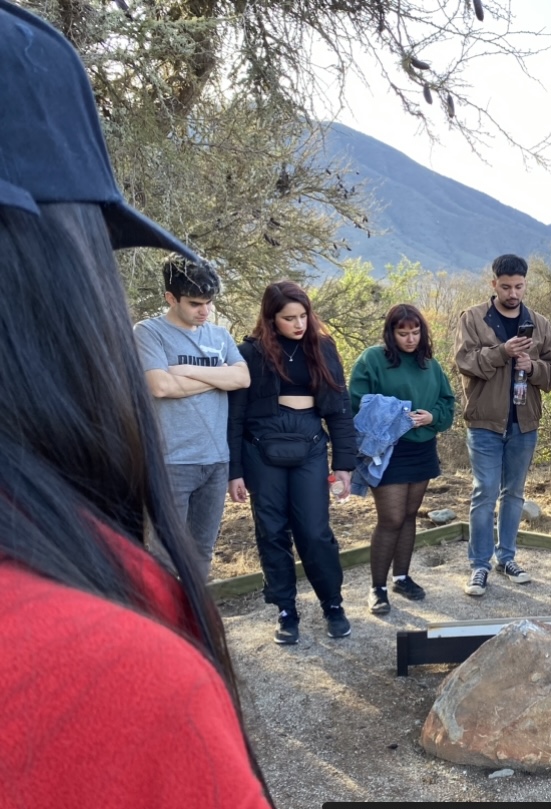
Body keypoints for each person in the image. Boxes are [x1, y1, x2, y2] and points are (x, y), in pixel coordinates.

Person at [0, 2, 280, 809]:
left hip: (208, 463)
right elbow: (170, 386)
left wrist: (210, 378)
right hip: (180, 462)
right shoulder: (105, 676)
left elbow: (238, 380)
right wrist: (210, 379)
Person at [228, 281, 357, 645]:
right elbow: (235, 416)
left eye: (303, 316)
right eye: (289, 318)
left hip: (311, 447)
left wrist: (344, 464)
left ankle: (332, 603)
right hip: (261, 450)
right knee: (271, 531)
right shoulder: (249, 353)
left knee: (314, 532)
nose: (299, 324)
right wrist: (233, 471)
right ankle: (285, 609)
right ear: (271, 319)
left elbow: (340, 410)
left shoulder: (323, 347)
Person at [454, 254, 551, 597]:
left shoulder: (541, 323)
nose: (513, 293)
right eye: (506, 287)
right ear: (493, 284)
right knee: (485, 492)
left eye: (519, 286)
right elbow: (464, 362)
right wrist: (501, 352)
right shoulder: (472, 318)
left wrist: (532, 367)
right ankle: (479, 566)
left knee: (514, 494)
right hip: (485, 422)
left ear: (526, 284)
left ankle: (507, 558)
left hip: (524, 422)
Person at [134, 257, 250, 581]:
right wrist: (217, 376)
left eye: (209, 303)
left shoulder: (220, 336)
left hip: (215, 461)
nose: (205, 311)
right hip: (170, 463)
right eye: (195, 303)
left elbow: (242, 378)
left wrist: (187, 371)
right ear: (171, 298)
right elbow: (160, 385)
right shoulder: (148, 332)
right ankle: (161, 626)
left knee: (201, 552)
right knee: (164, 556)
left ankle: (193, 622)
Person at [349, 304, 456, 615]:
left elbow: (447, 404)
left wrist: (431, 416)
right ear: (391, 333)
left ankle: (402, 577)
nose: (410, 339)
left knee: (410, 516)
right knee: (391, 519)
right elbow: (356, 401)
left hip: (421, 448)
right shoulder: (373, 359)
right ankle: (377, 588)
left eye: (415, 332)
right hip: (387, 451)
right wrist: (394, 414)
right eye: (402, 333)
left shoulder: (430, 365)